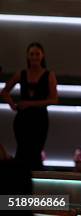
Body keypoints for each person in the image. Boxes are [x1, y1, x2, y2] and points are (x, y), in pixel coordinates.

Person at [0, 42, 59, 170]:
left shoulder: (49, 75)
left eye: (37, 54)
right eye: (32, 54)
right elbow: (4, 92)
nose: (34, 57)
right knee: (22, 150)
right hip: (23, 119)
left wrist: (29, 103)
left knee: (35, 151)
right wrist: (12, 105)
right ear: (27, 56)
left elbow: (54, 99)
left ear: (42, 56)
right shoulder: (21, 74)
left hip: (40, 120)